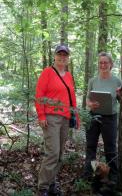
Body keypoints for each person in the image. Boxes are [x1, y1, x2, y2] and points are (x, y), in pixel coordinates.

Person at [35, 44, 79, 196]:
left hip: (66, 118)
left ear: (68, 58)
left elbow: (72, 98)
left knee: (60, 154)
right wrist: (41, 115)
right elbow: (39, 94)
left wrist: (76, 117)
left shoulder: (68, 75)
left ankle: (52, 184)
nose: (62, 57)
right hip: (51, 117)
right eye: (59, 55)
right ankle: (43, 188)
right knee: (52, 152)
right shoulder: (47, 72)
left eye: (65, 55)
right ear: (54, 56)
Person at [83, 52, 122, 192]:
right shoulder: (93, 80)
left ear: (111, 64)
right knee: (91, 147)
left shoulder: (117, 81)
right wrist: (90, 105)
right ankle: (89, 175)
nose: (103, 65)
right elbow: (87, 99)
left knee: (110, 148)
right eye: (101, 62)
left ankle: (112, 179)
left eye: (106, 62)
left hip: (110, 118)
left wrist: (120, 95)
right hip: (93, 117)